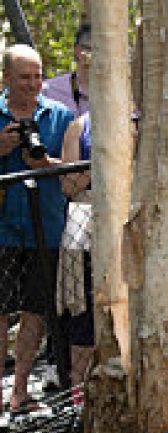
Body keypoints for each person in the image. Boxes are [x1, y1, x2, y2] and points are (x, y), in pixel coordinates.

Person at [0, 45, 74, 412]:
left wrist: (45, 162)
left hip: (45, 227)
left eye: (38, 76)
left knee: (35, 311)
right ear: (6, 78)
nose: (33, 84)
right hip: (2, 231)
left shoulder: (60, 115)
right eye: (24, 77)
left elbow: (76, 169)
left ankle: (20, 392)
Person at [58, 111, 93, 397]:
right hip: (86, 218)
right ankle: (79, 389)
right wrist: (103, 160)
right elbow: (68, 185)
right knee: (84, 308)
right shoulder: (79, 127)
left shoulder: (140, 121)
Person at [42, 22, 91, 116]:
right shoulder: (49, 90)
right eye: (88, 49)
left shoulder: (119, 94)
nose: (92, 56)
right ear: (77, 50)